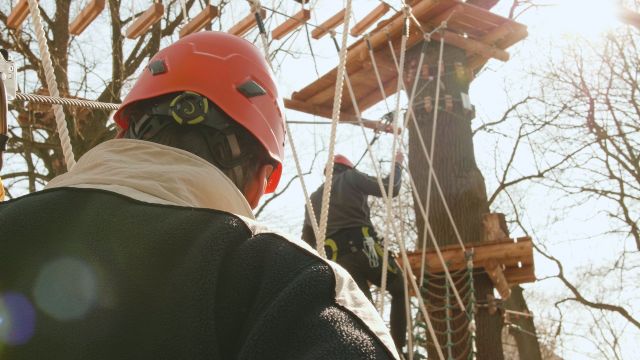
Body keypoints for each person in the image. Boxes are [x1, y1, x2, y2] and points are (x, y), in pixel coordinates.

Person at [0, 32, 399, 359]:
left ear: (123, 131)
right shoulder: (295, 287)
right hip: (355, 249)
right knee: (397, 288)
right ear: (264, 180)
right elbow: (391, 190)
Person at [302, 153, 407, 353]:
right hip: (367, 250)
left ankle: (379, 352)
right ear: (347, 168)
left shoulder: (314, 200)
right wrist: (398, 164)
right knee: (399, 288)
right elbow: (390, 188)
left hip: (340, 263)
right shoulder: (351, 177)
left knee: (367, 317)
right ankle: (398, 349)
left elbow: (307, 243)